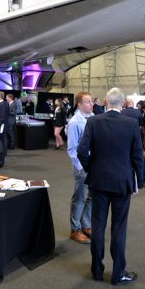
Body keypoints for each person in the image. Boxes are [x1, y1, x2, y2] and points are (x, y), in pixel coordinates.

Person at [77, 87, 143, 285]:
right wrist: (137, 181)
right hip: (122, 182)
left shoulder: (93, 121)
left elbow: (82, 151)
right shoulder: (131, 123)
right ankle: (118, 273)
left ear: (106, 102)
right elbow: (138, 156)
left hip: (99, 181)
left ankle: (97, 270)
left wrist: (91, 169)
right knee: (119, 228)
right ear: (122, 103)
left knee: (98, 226)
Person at [66, 92, 94, 244]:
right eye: (88, 102)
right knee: (80, 197)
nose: (91, 104)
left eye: (91, 101)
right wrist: (79, 167)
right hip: (82, 166)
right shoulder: (75, 122)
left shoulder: (94, 118)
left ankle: (86, 225)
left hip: (95, 164)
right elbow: (72, 149)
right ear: (79, 104)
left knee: (92, 196)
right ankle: (75, 229)